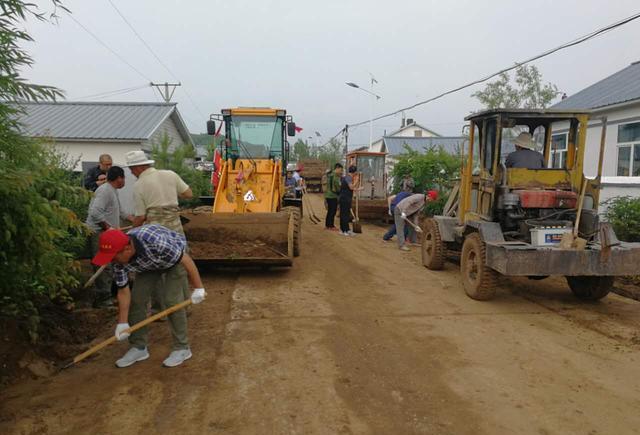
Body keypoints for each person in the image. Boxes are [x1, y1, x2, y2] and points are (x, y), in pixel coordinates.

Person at [92, 225, 206, 368]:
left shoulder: (156, 242)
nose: (111, 261)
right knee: (137, 300)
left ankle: (182, 348)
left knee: (172, 301)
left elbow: (186, 260)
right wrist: (122, 323)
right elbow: (123, 291)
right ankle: (139, 347)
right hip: (147, 265)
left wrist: (199, 288)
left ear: (127, 249)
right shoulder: (118, 261)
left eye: (113, 257)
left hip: (175, 260)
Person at [125, 150, 193, 309]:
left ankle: (160, 307)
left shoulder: (139, 185)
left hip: (156, 237)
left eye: (131, 169)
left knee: (155, 269)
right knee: (180, 267)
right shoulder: (170, 175)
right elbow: (188, 194)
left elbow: (140, 217)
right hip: (176, 233)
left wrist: (131, 233)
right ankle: (185, 306)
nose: (132, 173)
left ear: (138, 168)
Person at [85, 166, 134, 307]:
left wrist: (137, 219)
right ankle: (102, 299)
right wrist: (108, 228)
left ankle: (108, 293)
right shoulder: (105, 191)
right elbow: (95, 212)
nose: (124, 181)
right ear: (119, 178)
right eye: (124, 178)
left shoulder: (112, 191)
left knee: (112, 263)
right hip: (98, 233)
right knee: (102, 264)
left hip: (107, 232)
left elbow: (121, 212)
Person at [339, 165, 357, 236]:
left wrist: (359, 188)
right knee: (345, 214)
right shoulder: (348, 178)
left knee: (344, 214)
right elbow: (351, 187)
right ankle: (344, 230)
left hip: (345, 198)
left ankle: (346, 229)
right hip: (345, 199)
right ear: (354, 172)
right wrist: (356, 181)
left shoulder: (345, 177)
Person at [324, 163, 342, 231]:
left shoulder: (330, 175)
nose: (341, 171)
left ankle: (327, 225)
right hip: (333, 196)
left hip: (328, 195)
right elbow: (337, 186)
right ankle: (331, 226)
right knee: (333, 211)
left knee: (329, 211)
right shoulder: (335, 176)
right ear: (337, 168)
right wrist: (340, 190)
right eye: (340, 170)